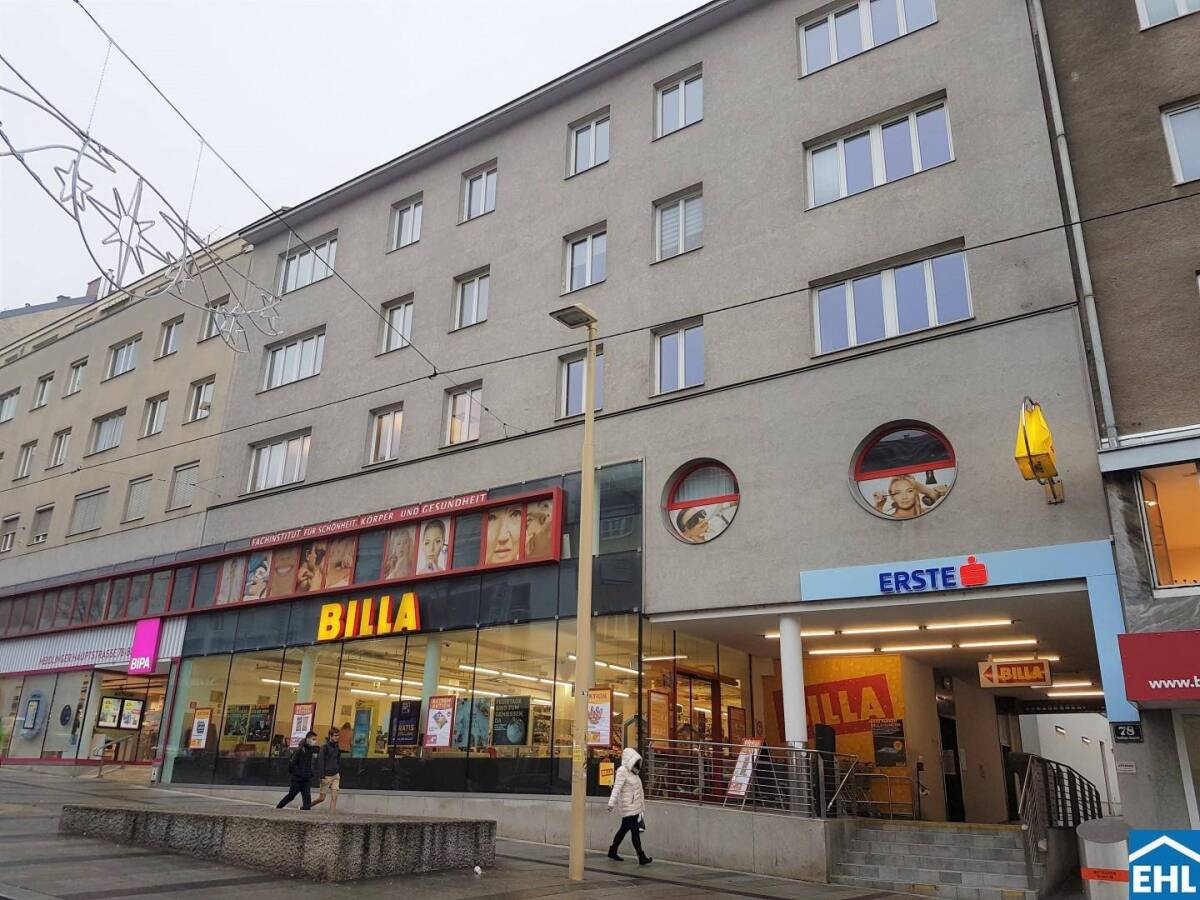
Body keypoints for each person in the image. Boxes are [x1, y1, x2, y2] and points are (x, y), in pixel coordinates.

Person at [606, 747, 652, 865]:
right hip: (628, 807)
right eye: (635, 760)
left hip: (634, 807)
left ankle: (612, 850)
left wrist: (641, 806)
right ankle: (641, 856)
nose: (637, 763)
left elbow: (639, 792)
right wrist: (611, 803)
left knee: (623, 830)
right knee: (635, 832)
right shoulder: (622, 771)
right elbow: (617, 788)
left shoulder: (634, 773)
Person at [276, 731, 319, 810]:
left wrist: (310, 773)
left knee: (307, 802)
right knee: (291, 796)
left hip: (306, 780)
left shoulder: (311, 750)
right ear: (308, 739)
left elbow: (311, 763)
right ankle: (278, 808)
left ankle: (305, 814)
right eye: (313, 739)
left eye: (315, 739)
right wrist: (300, 774)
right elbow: (292, 765)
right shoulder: (299, 750)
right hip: (297, 780)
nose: (315, 741)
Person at [312, 727, 341, 810]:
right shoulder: (324, 747)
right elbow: (320, 762)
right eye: (335, 735)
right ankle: (306, 806)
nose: (337, 737)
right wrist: (321, 776)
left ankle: (332, 815)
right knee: (321, 798)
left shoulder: (337, 747)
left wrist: (337, 769)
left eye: (338, 735)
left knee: (334, 797)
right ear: (330, 736)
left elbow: (337, 759)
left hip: (335, 775)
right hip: (326, 776)